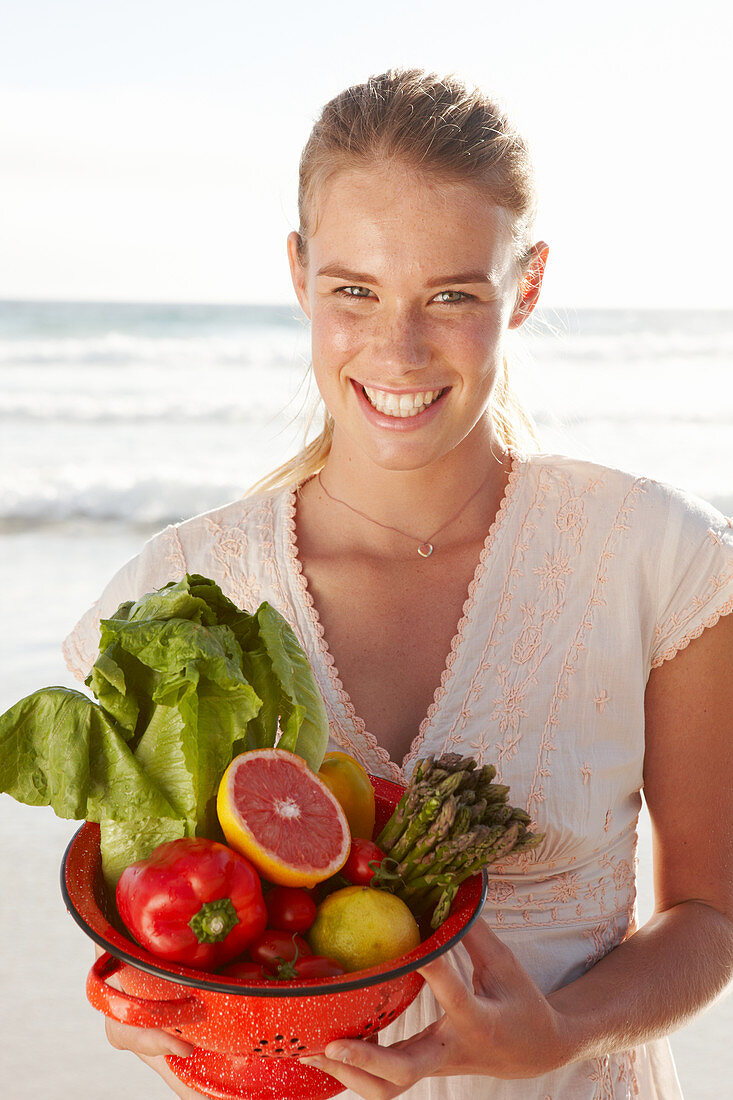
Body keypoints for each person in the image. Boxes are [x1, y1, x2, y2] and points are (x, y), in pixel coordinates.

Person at [64, 69, 733, 1099]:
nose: (399, 348)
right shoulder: (181, 595)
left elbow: (710, 914)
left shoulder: (654, 554)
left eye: (453, 294)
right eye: (355, 291)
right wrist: (135, 1002)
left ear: (530, 283)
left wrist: (560, 1028)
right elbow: (140, 905)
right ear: (298, 274)